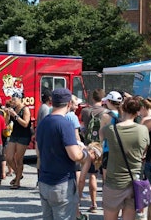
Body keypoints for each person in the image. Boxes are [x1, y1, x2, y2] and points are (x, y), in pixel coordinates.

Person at [36, 88, 95, 220]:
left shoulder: (43, 123)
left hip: (44, 181)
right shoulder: (65, 124)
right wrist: (85, 154)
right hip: (61, 183)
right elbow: (75, 155)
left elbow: (38, 152)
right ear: (68, 104)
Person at [100, 96, 150, 220]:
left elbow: (101, 138)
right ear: (138, 112)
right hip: (134, 183)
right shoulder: (143, 130)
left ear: (122, 108)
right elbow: (144, 151)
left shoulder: (111, 130)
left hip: (113, 183)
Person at [79, 88, 106, 213]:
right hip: (103, 147)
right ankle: (106, 203)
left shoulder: (85, 111)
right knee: (105, 177)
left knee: (92, 176)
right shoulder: (107, 112)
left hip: (90, 146)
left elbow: (83, 129)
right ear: (103, 98)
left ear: (92, 98)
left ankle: (93, 204)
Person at [6, 92, 32, 189]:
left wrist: (16, 116)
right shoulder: (13, 109)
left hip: (23, 136)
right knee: (9, 157)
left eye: (14, 100)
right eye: (12, 99)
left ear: (20, 99)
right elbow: (6, 123)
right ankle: (18, 174)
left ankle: (17, 182)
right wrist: (8, 115)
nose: (12, 101)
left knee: (18, 158)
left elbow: (25, 124)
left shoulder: (25, 109)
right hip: (14, 134)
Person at [99, 91, 123, 183]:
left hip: (108, 150)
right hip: (121, 150)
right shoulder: (124, 115)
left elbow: (101, 135)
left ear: (109, 101)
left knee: (107, 179)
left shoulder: (106, 116)